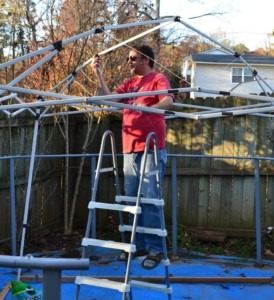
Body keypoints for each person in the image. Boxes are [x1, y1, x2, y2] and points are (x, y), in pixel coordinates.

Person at [91, 44, 174, 269]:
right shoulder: (130, 84)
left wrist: (146, 108)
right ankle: (136, 246)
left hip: (151, 150)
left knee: (150, 200)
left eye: (132, 58)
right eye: (128, 58)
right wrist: (98, 74)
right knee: (131, 201)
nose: (129, 62)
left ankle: (156, 249)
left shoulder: (157, 78)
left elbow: (168, 101)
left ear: (145, 59)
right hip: (130, 149)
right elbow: (109, 100)